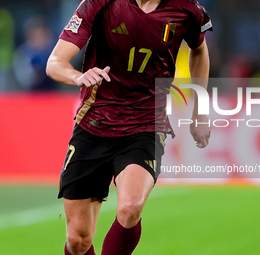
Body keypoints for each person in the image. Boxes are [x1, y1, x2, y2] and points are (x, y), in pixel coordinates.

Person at [46, 0, 212, 254]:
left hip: (146, 124)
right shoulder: (100, 3)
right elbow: (55, 62)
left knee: (130, 207)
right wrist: (77, 77)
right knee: (79, 240)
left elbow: (199, 50)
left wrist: (199, 110)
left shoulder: (187, 8)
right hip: (94, 123)